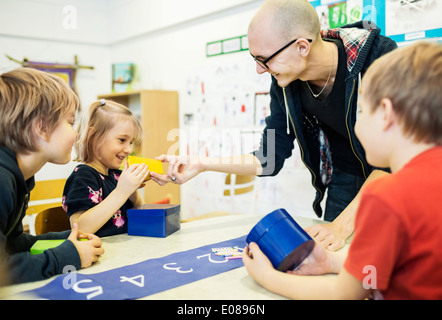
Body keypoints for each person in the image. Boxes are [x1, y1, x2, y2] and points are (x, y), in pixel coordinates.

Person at [150, 0, 397, 250]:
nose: (259, 70)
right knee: (336, 256)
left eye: (264, 59)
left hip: (393, 176)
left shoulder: (379, 57)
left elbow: (393, 159)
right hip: (344, 174)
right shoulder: (285, 82)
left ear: (302, 47)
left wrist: (340, 227)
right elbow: (268, 159)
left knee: (388, 255)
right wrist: (202, 164)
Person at [242, 41, 442, 300]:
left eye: (360, 112)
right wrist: (333, 262)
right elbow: (395, 268)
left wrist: (267, 277)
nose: (355, 127)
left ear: (385, 114)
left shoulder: (386, 195)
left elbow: (345, 294)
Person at [0, 68, 104, 284]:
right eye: (70, 122)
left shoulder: (18, 177)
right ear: (41, 127)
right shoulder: (2, 180)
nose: (76, 133)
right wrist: (69, 256)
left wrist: (65, 240)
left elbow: (13, 243)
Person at [62, 99, 150, 237]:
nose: (128, 149)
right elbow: (79, 229)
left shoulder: (117, 176)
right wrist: (122, 191)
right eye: (122, 140)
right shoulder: (83, 176)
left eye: (131, 142)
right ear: (94, 137)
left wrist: (134, 195)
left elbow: (141, 216)